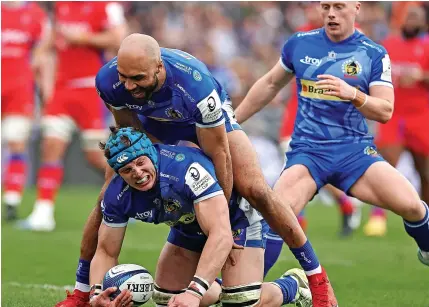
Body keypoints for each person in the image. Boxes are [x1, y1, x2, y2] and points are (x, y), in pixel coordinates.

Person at [56, 34, 337, 307]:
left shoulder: (195, 84)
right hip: (152, 126)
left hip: (202, 121)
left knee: (255, 189)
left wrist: (220, 225)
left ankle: (316, 279)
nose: (128, 86)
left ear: (158, 67)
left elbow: (219, 153)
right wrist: (134, 175)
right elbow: (131, 134)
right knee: (109, 195)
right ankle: (83, 293)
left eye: (138, 78)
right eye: (124, 77)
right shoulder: (108, 81)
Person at [234, 1, 429, 285]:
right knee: (276, 217)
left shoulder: (372, 53)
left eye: (339, 6)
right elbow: (270, 84)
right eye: (326, 6)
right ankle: (245, 290)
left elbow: (385, 110)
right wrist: (233, 121)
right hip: (308, 154)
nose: (331, 13)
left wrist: (353, 94)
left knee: (413, 206)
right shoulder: (300, 44)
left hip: (355, 154)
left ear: (356, 8)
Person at [88, 127, 312, 307]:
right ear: (118, 174)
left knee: (241, 301)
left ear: (152, 154)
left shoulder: (185, 170)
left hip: (234, 219)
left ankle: (293, 285)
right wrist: (97, 295)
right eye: (127, 170)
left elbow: (220, 233)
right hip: (188, 224)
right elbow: (106, 251)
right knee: (169, 300)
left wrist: (194, 293)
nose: (137, 173)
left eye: (140, 162)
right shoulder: (116, 195)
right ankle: (215, 288)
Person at [17, 1, 128, 232]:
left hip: (90, 90)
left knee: (94, 156)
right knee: (51, 145)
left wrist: (83, 38)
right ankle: (43, 212)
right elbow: (50, 41)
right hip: (62, 90)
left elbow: (120, 39)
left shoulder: (106, 6)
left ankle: (133, 190)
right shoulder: (61, 5)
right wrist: (40, 59)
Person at [278, 3, 361, 237]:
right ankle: (303, 216)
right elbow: (284, 71)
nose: (315, 11)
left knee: (314, 165)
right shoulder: (302, 36)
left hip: (326, 113)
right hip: (298, 106)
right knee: (291, 157)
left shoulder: (350, 36)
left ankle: (338, 207)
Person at [365, 4, 429, 237]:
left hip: (421, 117)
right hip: (393, 115)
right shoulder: (389, 46)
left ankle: (424, 218)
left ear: (424, 23)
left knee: (425, 173)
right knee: (384, 165)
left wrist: (421, 76)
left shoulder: (427, 46)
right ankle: (377, 216)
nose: (411, 21)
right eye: (409, 16)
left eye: (416, 17)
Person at [1, 1, 49, 221]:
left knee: (16, 142)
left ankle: (12, 198)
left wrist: (45, 91)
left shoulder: (35, 15)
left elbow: (43, 55)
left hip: (19, 89)